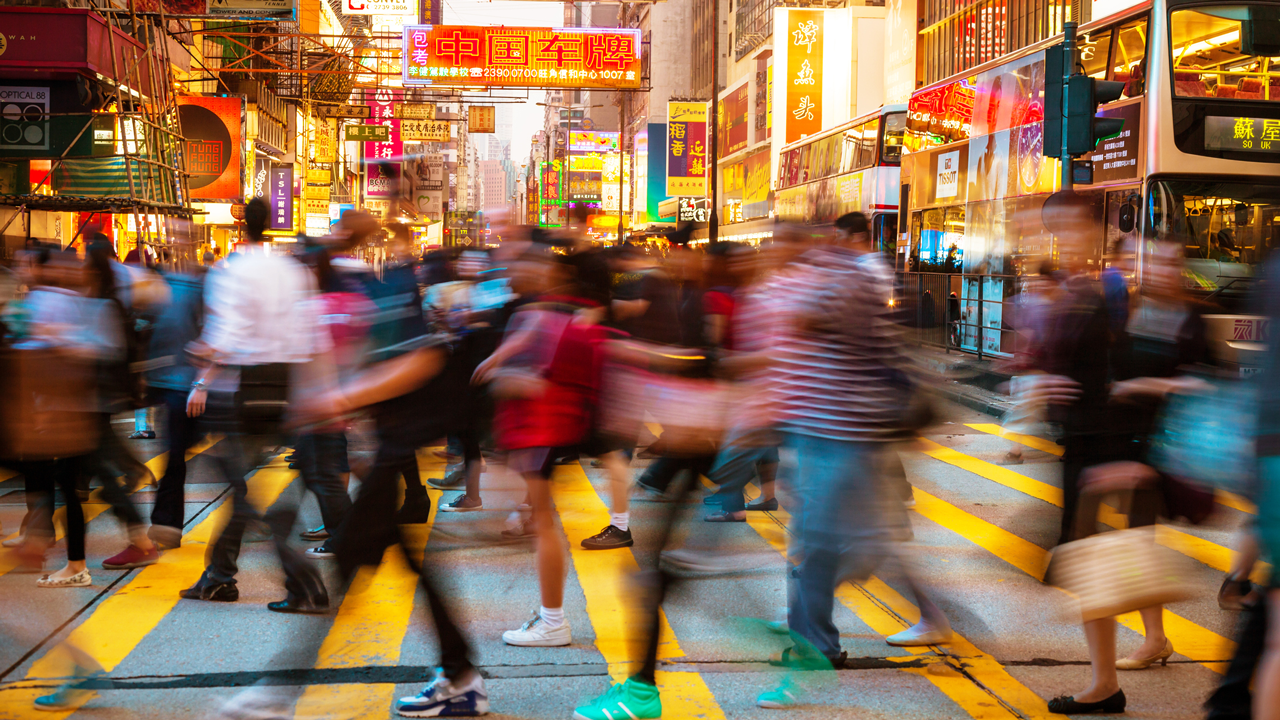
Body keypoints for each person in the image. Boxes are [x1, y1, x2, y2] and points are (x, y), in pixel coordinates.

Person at [178, 198, 333, 613]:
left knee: (240, 489)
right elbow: (311, 332)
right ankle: (219, 576)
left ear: (241, 222)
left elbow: (226, 332)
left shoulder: (232, 269)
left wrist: (200, 376)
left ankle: (298, 578)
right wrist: (322, 391)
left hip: (242, 392)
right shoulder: (292, 269)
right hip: (286, 386)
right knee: (240, 487)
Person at [144, 251, 214, 550]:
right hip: (171, 383)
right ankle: (166, 524)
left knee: (176, 455)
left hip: (188, 386)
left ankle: (166, 523)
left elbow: (213, 336)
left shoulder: (199, 290)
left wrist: (201, 382)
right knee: (175, 454)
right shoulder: (161, 285)